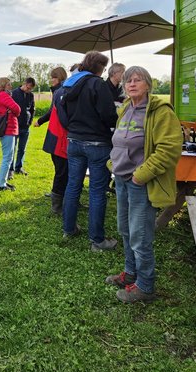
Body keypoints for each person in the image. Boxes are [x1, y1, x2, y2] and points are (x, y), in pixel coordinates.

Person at [105, 66, 182, 303]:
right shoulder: (127, 107)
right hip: (121, 179)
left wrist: (141, 175)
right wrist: (113, 163)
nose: (131, 84)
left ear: (148, 84)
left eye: (138, 80)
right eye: (128, 80)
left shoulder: (160, 111)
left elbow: (169, 149)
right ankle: (130, 274)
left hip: (140, 182)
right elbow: (119, 140)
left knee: (140, 235)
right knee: (125, 230)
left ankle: (146, 286)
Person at [61, 51, 118, 251]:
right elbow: (108, 114)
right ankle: (97, 240)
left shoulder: (70, 84)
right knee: (96, 191)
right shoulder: (97, 84)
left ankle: (69, 229)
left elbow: (63, 113)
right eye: (103, 68)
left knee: (73, 185)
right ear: (99, 68)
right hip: (97, 144)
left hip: (74, 140)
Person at [34, 67, 69, 212]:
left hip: (57, 135)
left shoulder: (60, 91)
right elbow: (57, 115)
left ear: (60, 78)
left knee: (62, 170)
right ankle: (57, 205)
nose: (51, 80)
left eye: (53, 77)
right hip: (58, 135)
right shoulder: (61, 92)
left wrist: (40, 121)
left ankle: (63, 198)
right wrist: (41, 121)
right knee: (62, 170)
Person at [0, 77, 21, 191]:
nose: (11, 86)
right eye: (9, 84)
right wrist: (12, 111)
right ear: (3, 85)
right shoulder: (4, 95)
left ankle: (3, 182)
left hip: (7, 130)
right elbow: (18, 109)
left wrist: (11, 111)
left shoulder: (1, 95)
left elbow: (14, 110)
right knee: (7, 158)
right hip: (8, 130)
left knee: (8, 157)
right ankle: (1, 184)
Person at [10, 77, 35, 178]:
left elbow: (32, 109)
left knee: (22, 149)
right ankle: (10, 170)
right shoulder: (14, 93)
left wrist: (30, 121)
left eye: (31, 89)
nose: (29, 90)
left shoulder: (31, 95)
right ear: (24, 84)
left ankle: (19, 167)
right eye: (28, 88)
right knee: (12, 149)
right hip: (15, 126)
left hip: (26, 126)